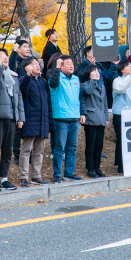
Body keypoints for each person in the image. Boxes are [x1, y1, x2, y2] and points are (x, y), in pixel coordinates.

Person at [0, 48, 24, 192]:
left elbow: (18, 98)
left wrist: (20, 117)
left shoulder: (13, 76)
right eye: (1, 57)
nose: (6, 58)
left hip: (12, 118)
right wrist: (0, 67)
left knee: (8, 151)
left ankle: (4, 179)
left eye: (6, 56)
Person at [48, 55, 82, 183]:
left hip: (75, 118)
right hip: (61, 118)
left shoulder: (76, 79)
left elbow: (80, 98)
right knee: (59, 148)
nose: (71, 65)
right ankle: (57, 174)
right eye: (67, 63)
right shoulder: (55, 78)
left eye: (72, 63)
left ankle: (69, 173)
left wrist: (81, 113)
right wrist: (56, 67)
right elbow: (53, 83)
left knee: (72, 148)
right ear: (60, 66)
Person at [18, 57, 50, 186]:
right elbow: (23, 89)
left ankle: (36, 176)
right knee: (26, 151)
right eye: (34, 64)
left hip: (42, 120)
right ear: (27, 67)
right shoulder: (23, 79)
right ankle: (24, 177)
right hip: (30, 120)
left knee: (39, 151)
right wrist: (28, 76)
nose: (38, 66)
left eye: (38, 64)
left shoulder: (42, 81)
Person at [80, 65, 109, 179]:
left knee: (99, 146)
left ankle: (97, 167)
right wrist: (92, 80)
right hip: (91, 119)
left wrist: (106, 117)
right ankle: (90, 168)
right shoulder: (84, 85)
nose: (97, 73)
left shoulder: (102, 86)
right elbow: (89, 92)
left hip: (101, 119)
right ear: (88, 73)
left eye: (97, 71)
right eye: (93, 71)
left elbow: (105, 104)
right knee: (90, 145)